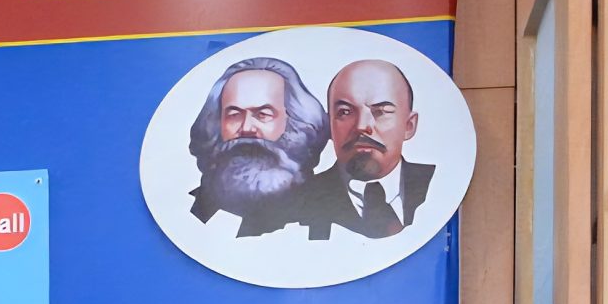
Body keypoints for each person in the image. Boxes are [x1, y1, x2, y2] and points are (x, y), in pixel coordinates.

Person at [182, 57, 327, 236]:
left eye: (263, 114)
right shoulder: (188, 211)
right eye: (234, 115)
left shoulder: (326, 213)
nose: (247, 128)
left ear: (295, 123)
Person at [296, 58, 436, 240]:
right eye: (345, 112)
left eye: (382, 111)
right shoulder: (297, 201)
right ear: (330, 126)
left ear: (409, 126)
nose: (362, 126)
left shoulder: (439, 185)